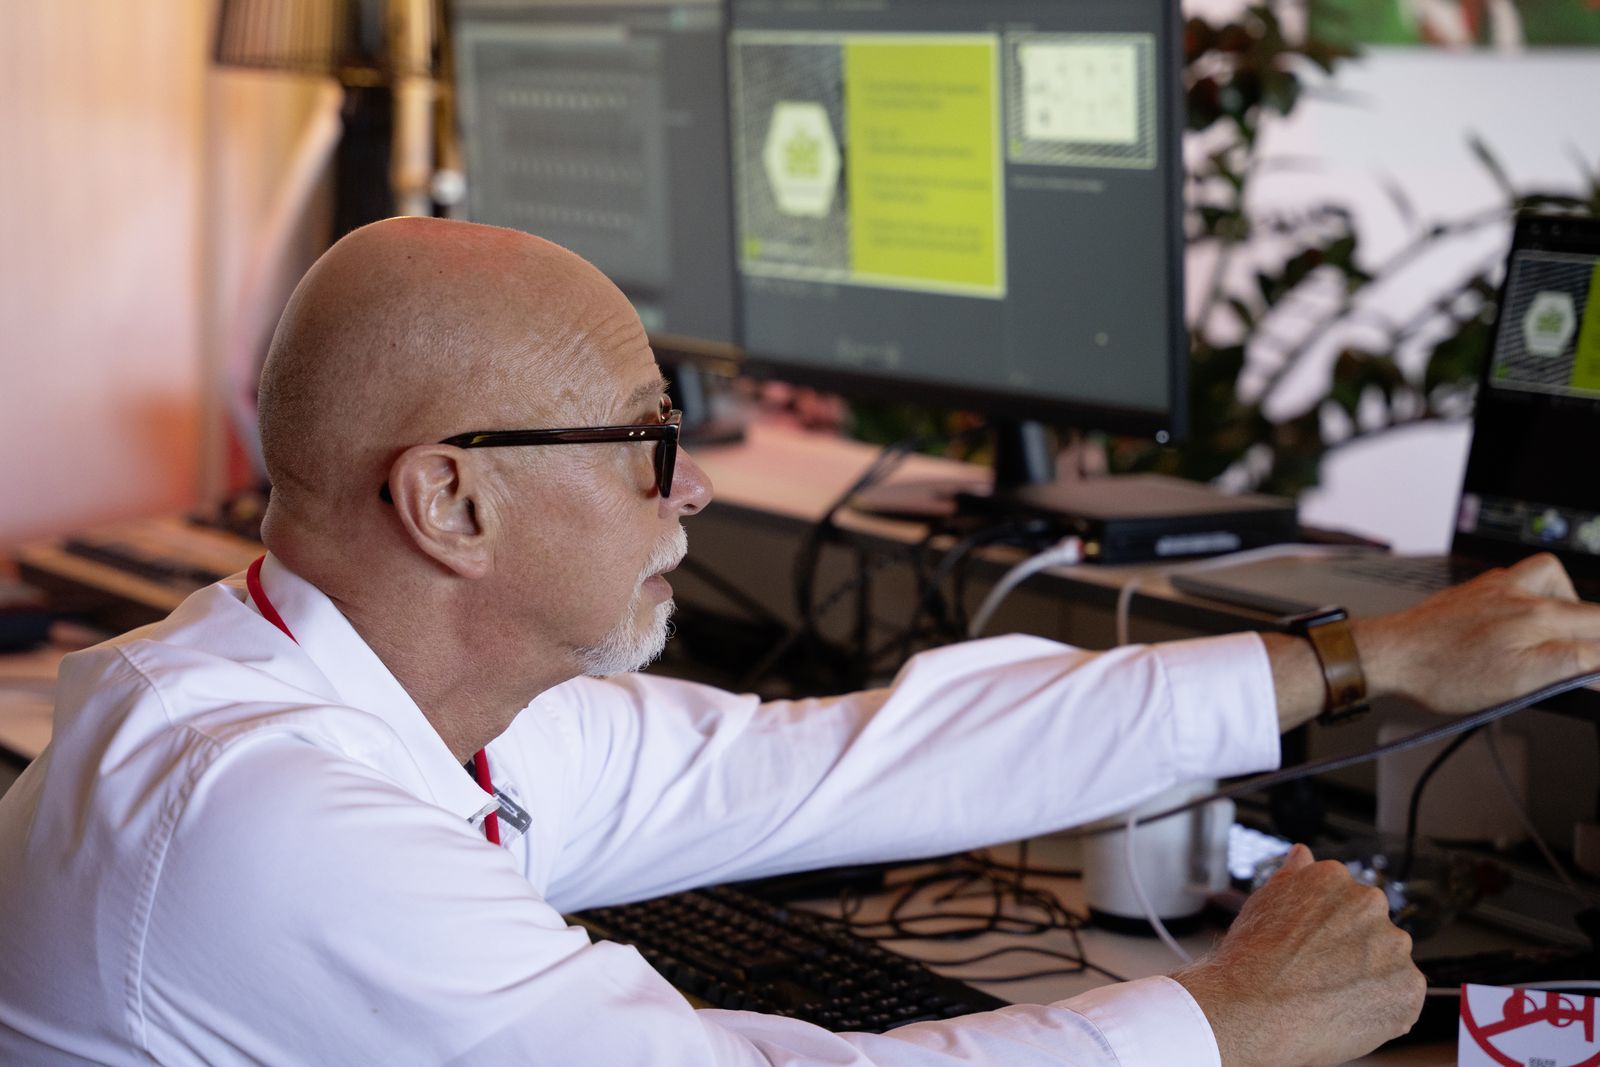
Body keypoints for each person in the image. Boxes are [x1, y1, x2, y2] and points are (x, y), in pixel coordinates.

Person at [1, 217, 1597, 1067]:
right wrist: (1221, 1023)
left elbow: (829, 763)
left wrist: (1368, 661)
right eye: (647, 440)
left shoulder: (366, 689)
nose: (692, 487)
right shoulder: (267, 816)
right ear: (451, 503)